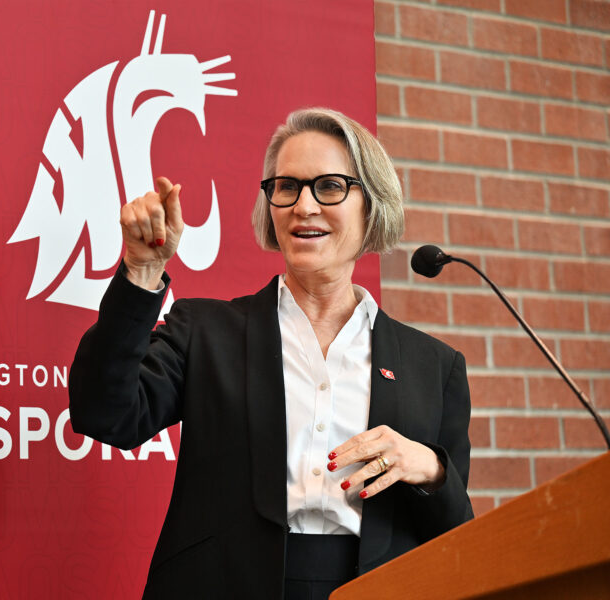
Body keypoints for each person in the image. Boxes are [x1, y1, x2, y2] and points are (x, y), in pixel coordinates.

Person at [69, 107, 472, 600]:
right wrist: (141, 272)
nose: (304, 206)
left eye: (329, 187)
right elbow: (104, 414)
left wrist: (429, 467)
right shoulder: (206, 331)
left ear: (373, 205)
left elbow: (456, 530)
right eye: (287, 187)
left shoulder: (434, 366)